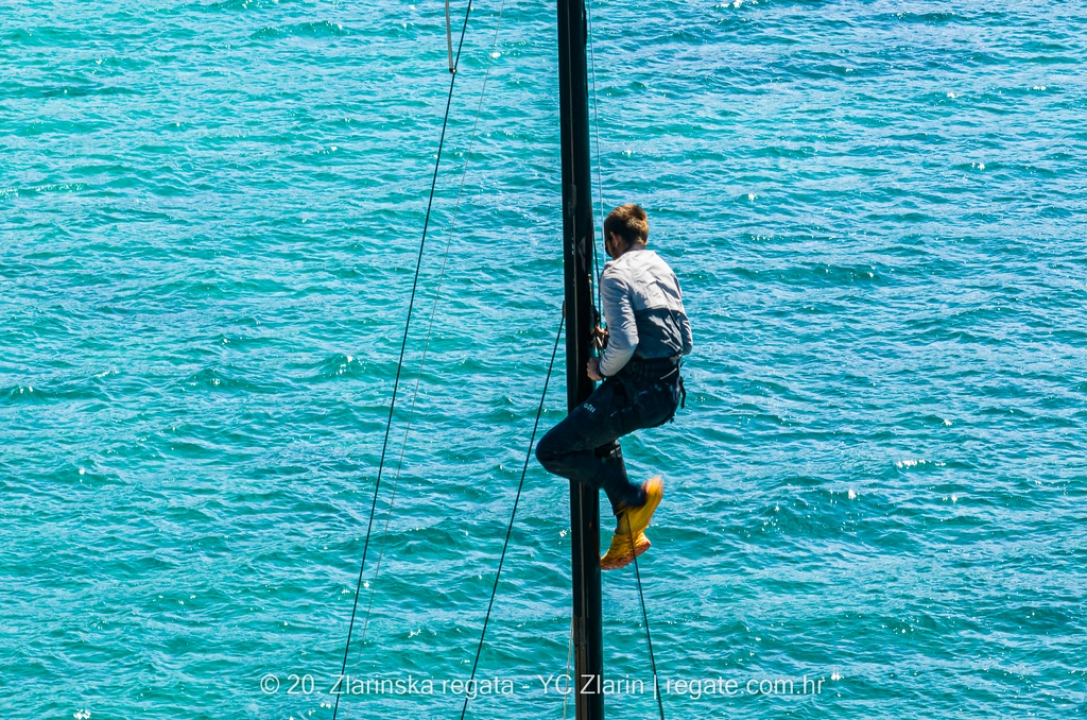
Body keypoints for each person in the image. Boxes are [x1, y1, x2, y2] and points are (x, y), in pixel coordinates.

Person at [536, 203, 693, 570]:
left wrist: (601, 368)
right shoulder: (662, 267)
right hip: (668, 391)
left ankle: (634, 497)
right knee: (600, 435)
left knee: (552, 451)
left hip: (637, 391)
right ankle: (629, 533)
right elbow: (683, 341)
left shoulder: (615, 274)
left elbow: (626, 344)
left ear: (613, 239)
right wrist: (628, 351)